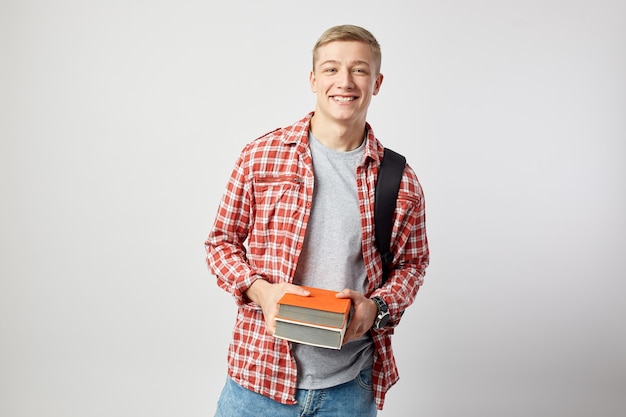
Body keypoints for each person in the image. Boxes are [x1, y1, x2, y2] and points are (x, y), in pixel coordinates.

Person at [205, 24, 429, 416]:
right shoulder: (260, 156)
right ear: (313, 79)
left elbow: (413, 264)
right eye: (330, 69)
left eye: (359, 69)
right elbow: (221, 243)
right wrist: (262, 292)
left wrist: (375, 308)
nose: (344, 81)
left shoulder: (400, 179)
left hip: (349, 388)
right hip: (257, 381)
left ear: (377, 82)